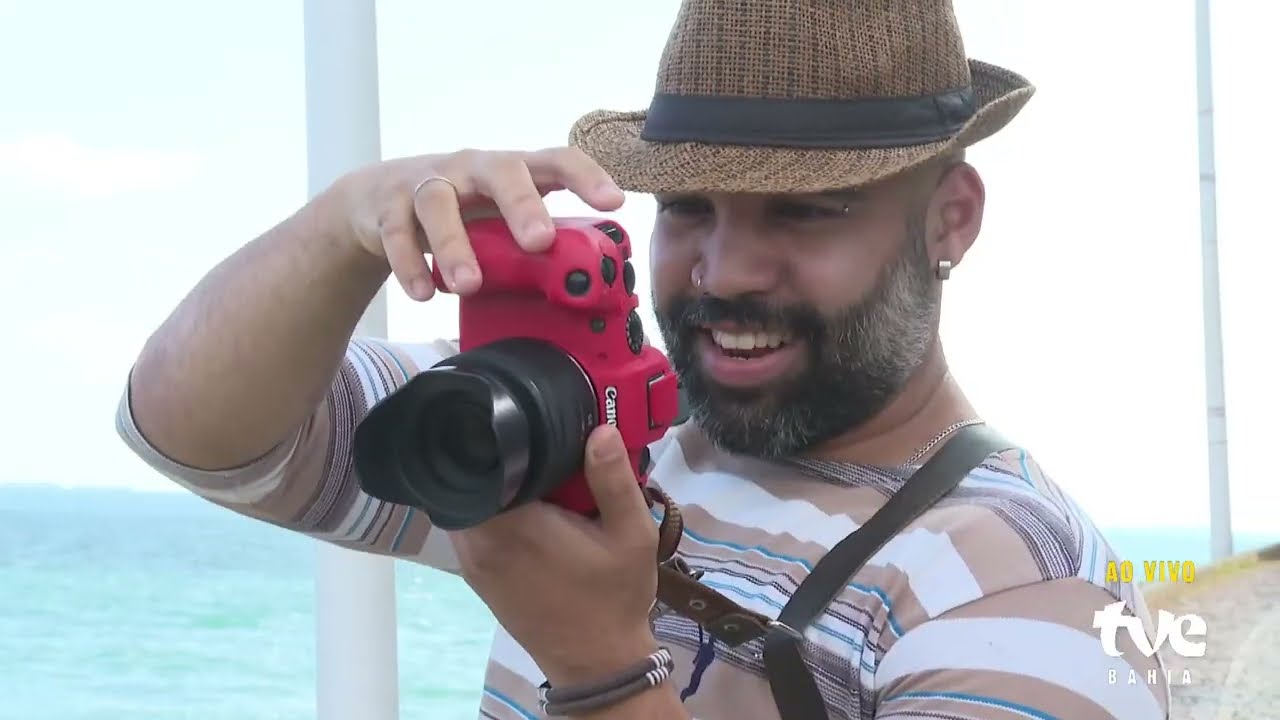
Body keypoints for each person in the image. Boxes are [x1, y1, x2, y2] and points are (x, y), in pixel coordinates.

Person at [116, 1, 1172, 718]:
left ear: (950, 217)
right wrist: (346, 221)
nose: (724, 271)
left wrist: (599, 670)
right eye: (690, 208)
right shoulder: (609, 441)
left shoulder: (1030, 598)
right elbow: (198, 434)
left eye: (804, 213)